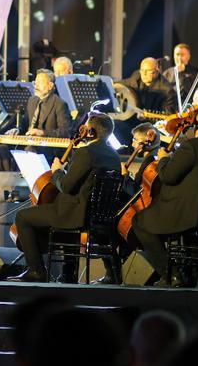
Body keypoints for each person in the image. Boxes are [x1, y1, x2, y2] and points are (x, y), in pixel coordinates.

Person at [131, 106, 198, 281]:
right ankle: (186, 271)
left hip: (190, 214)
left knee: (139, 221)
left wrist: (164, 158)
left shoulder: (192, 146)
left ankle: (171, 275)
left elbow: (168, 176)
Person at [12, 114, 119, 282]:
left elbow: (66, 186)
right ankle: (68, 274)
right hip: (96, 214)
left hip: (74, 213)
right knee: (56, 217)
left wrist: (57, 171)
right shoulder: (113, 156)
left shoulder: (85, 152)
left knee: (22, 217)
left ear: (90, 131)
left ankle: (36, 270)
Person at [22, 69, 72, 138]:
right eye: (35, 83)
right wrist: (17, 130)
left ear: (50, 85)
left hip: (46, 142)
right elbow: (24, 124)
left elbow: (65, 132)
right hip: (28, 140)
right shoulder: (32, 101)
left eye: (40, 83)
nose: (36, 86)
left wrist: (42, 132)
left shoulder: (60, 104)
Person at [163, 44, 198, 109]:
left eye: (182, 55)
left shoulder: (195, 72)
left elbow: (190, 92)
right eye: (177, 54)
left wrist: (180, 74)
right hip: (170, 109)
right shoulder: (167, 73)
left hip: (188, 108)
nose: (179, 58)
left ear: (188, 56)